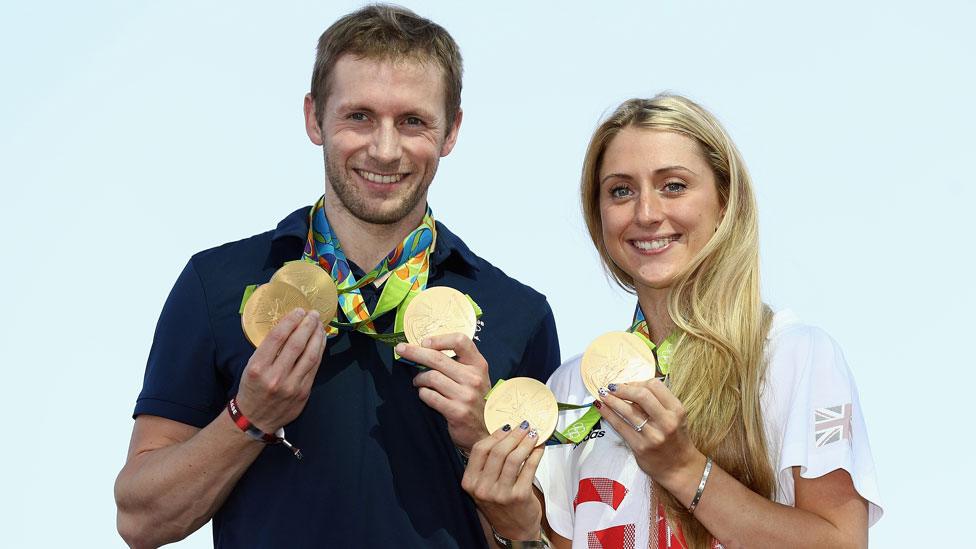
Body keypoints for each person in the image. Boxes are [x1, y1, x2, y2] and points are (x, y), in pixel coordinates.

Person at [113, 5, 560, 548]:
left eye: (413, 121)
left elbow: (545, 538)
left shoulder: (520, 314)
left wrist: (480, 441)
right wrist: (249, 417)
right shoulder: (217, 283)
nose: (385, 148)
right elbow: (140, 521)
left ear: (451, 131)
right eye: (360, 116)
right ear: (313, 118)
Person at [462, 95, 883, 548]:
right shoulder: (573, 390)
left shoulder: (795, 356)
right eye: (621, 190)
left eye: (674, 186)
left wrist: (682, 468)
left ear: (725, 202)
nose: (646, 213)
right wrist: (520, 532)